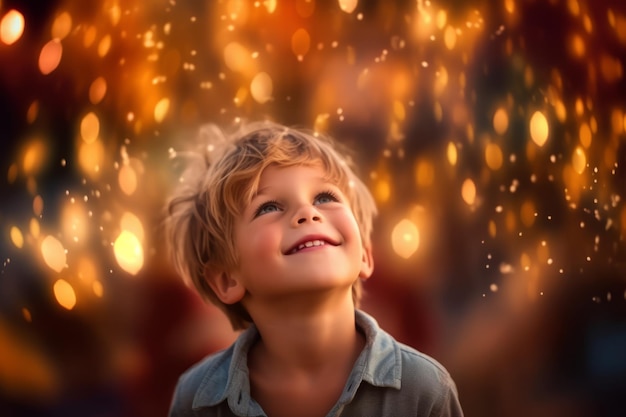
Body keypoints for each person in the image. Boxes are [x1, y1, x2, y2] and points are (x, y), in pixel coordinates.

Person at [165, 121, 464, 417]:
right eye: (268, 207)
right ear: (228, 279)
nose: (307, 212)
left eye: (325, 197)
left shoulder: (424, 392)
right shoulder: (197, 401)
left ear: (365, 254)